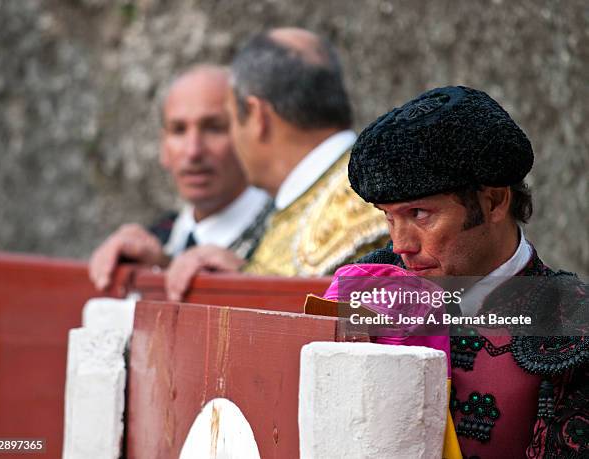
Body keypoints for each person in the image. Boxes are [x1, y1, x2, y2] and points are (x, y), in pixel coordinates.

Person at [348, 86, 587, 458]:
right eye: (388, 217)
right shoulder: (366, 289)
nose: (400, 245)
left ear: (493, 201)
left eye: (419, 214)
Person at [164, 28, 389, 299]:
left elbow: (449, 310)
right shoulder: (386, 182)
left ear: (258, 116)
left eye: (230, 122)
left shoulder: (382, 195)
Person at [88, 65, 272, 291]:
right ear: (164, 148)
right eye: (178, 130)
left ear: (248, 136)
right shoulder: (157, 238)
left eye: (214, 128)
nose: (193, 151)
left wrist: (251, 282)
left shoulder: (289, 236)